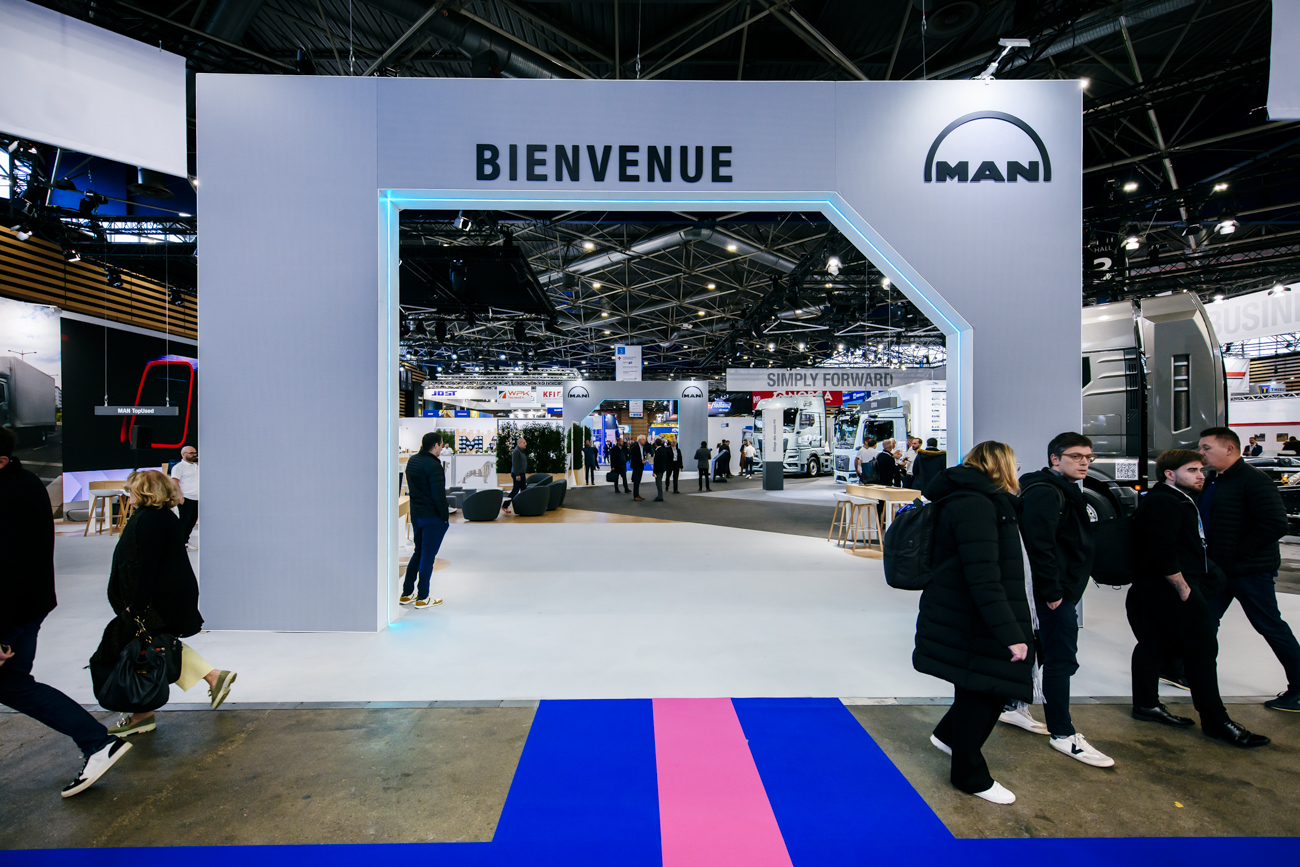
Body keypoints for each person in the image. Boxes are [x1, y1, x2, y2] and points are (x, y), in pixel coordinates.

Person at [0, 426, 133, 798]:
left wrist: (3, 634)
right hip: (25, 608)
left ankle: (97, 742)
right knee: (13, 685)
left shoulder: (10, 495)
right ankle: (96, 742)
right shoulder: (24, 484)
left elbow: (11, 568)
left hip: (14, 614)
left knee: (13, 686)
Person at [913, 441, 1034, 805]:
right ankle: (969, 775)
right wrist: (1010, 633)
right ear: (1002, 466)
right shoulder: (977, 505)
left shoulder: (972, 500)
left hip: (965, 611)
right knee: (985, 688)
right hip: (973, 614)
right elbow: (983, 576)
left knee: (979, 684)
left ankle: (948, 736)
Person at [1128, 449, 1270, 746]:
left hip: (1155, 587)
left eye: (1201, 470)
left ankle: (1146, 704)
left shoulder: (1173, 498)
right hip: (1170, 589)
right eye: (1192, 470)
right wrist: (1183, 588)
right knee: (1203, 649)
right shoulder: (1165, 501)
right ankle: (1216, 721)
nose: (1200, 475)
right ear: (1170, 474)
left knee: (1153, 644)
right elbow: (1162, 551)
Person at [98, 470, 237, 739]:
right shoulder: (160, 517)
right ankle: (210, 678)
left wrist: (136, 605)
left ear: (144, 492)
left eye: (131, 490)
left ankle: (143, 715)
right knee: (154, 643)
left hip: (158, 597)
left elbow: (147, 567)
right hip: (166, 594)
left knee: (144, 648)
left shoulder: (151, 520)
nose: (128, 495)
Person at [1016, 432, 1114, 766]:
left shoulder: (1064, 490)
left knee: (1042, 650)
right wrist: (1053, 592)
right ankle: (1062, 733)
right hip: (1053, 593)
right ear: (1055, 459)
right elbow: (1039, 546)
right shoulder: (1046, 492)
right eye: (1076, 456)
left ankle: (1012, 704)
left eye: (1088, 457)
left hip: (1060, 590)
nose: (1084, 462)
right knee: (1061, 659)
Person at [1197, 427, 1300, 711]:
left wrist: (1236, 553)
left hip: (1250, 571)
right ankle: (1189, 673)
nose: (1201, 453)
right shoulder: (1214, 480)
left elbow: (1275, 524)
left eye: (1207, 448)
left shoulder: (1254, 480)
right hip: (1219, 571)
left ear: (1229, 449)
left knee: (1270, 625)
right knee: (1203, 622)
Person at [399, 432, 450, 609]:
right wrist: (445, 517)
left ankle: (406, 593)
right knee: (427, 556)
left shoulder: (412, 461)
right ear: (435, 445)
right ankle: (423, 597)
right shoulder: (434, 465)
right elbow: (438, 495)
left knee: (418, 552)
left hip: (417, 515)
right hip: (432, 517)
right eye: (441, 445)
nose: (441, 448)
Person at [170, 445, 199, 550]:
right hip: (186, 498)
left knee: (192, 522)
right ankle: (178, 543)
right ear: (183, 454)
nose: (194, 455)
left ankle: (185, 541)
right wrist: (180, 496)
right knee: (184, 522)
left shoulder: (197, 466)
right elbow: (174, 482)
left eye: (195, 453)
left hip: (197, 498)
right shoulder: (179, 467)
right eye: (191, 453)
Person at [503, 437, 528, 512]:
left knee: (524, 490)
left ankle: (524, 506)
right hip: (517, 474)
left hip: (522, 473)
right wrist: (517, 474)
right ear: (519, 443)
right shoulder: (516, 452)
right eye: (524, 442)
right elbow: (515, 464)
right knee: (515, 490)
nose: (525, 444)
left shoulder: (521, 452)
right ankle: (505, 505)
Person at [631, 435, 649, 501]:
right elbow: (634, 457)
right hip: (636, 466)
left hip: (641, 466)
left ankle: (637, 494)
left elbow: (642, 455)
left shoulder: (643, 447)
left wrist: (644, 460)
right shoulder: (635, 448)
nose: (645, 441)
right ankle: (635, 496)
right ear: (640, 440)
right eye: (643, 439)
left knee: (638, 481)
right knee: (636, 481)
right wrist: (641, 461)